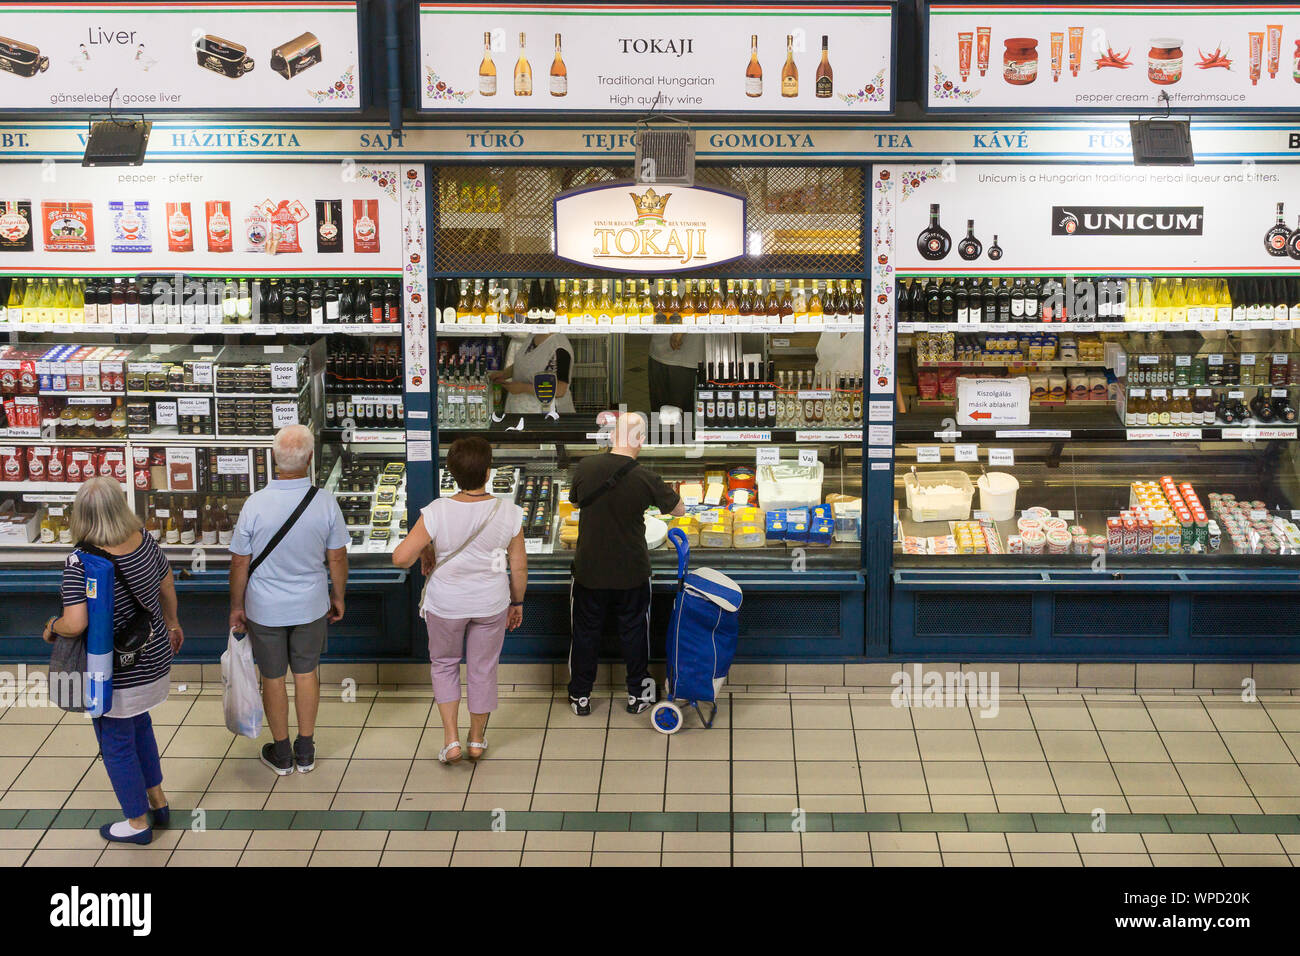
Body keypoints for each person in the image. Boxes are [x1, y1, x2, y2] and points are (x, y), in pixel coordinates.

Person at [44, 476, 183, 845]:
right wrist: (172, 623)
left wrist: (51, 625)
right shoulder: (144, 540)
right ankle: (158, 802)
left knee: (116, 742)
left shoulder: (81, 562)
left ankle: (137, 824)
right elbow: (167, 584)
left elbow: (75, 623)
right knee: (141, 728)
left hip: (115, 670)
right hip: (152, 657)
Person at [393, 437, 526, 764]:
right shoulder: (509, 512)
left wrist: (427, 546)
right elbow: (518, 565)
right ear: (488, 472)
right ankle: (477, 740)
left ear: (451, 473)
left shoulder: (437, 511)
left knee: (445, 665)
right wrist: (517, 602)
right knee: (483, 669)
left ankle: (451, 740)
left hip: (446, 605)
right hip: (491, 604)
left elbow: (400, 558)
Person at [228, 424, 348, 776]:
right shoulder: (325, 503)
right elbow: (337, 558)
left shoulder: (255, 505)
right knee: (307, 673)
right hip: (310, 604)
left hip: (264, 608)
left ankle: (281, 753)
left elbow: (239, 562)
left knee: (273, 676)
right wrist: (338, 595)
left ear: (273, 460)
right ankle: (306, 749)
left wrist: (237, 606)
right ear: (310, 459)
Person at [567, 411, 685, 717]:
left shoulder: (586, 466)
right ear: (641, 440)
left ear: (610, 437)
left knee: (585, 633)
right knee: (634, 633)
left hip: (589, 570)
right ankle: (637, 695)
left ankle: (580, 695)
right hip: (631, 572)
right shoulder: (646, 477)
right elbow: (680, 510)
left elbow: (576, 501)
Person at [490, 332, 576, 415]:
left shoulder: (559, 347)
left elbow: (560, 390)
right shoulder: (533, 334)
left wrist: (523, 388)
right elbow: (524, 363)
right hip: (521, 408)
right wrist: (503, 374)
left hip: (546, 412)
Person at [648, 331, 704, 417]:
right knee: (659, 413)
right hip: (659, 349)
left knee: (684, 416)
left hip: (685, 357)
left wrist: (683, 328)